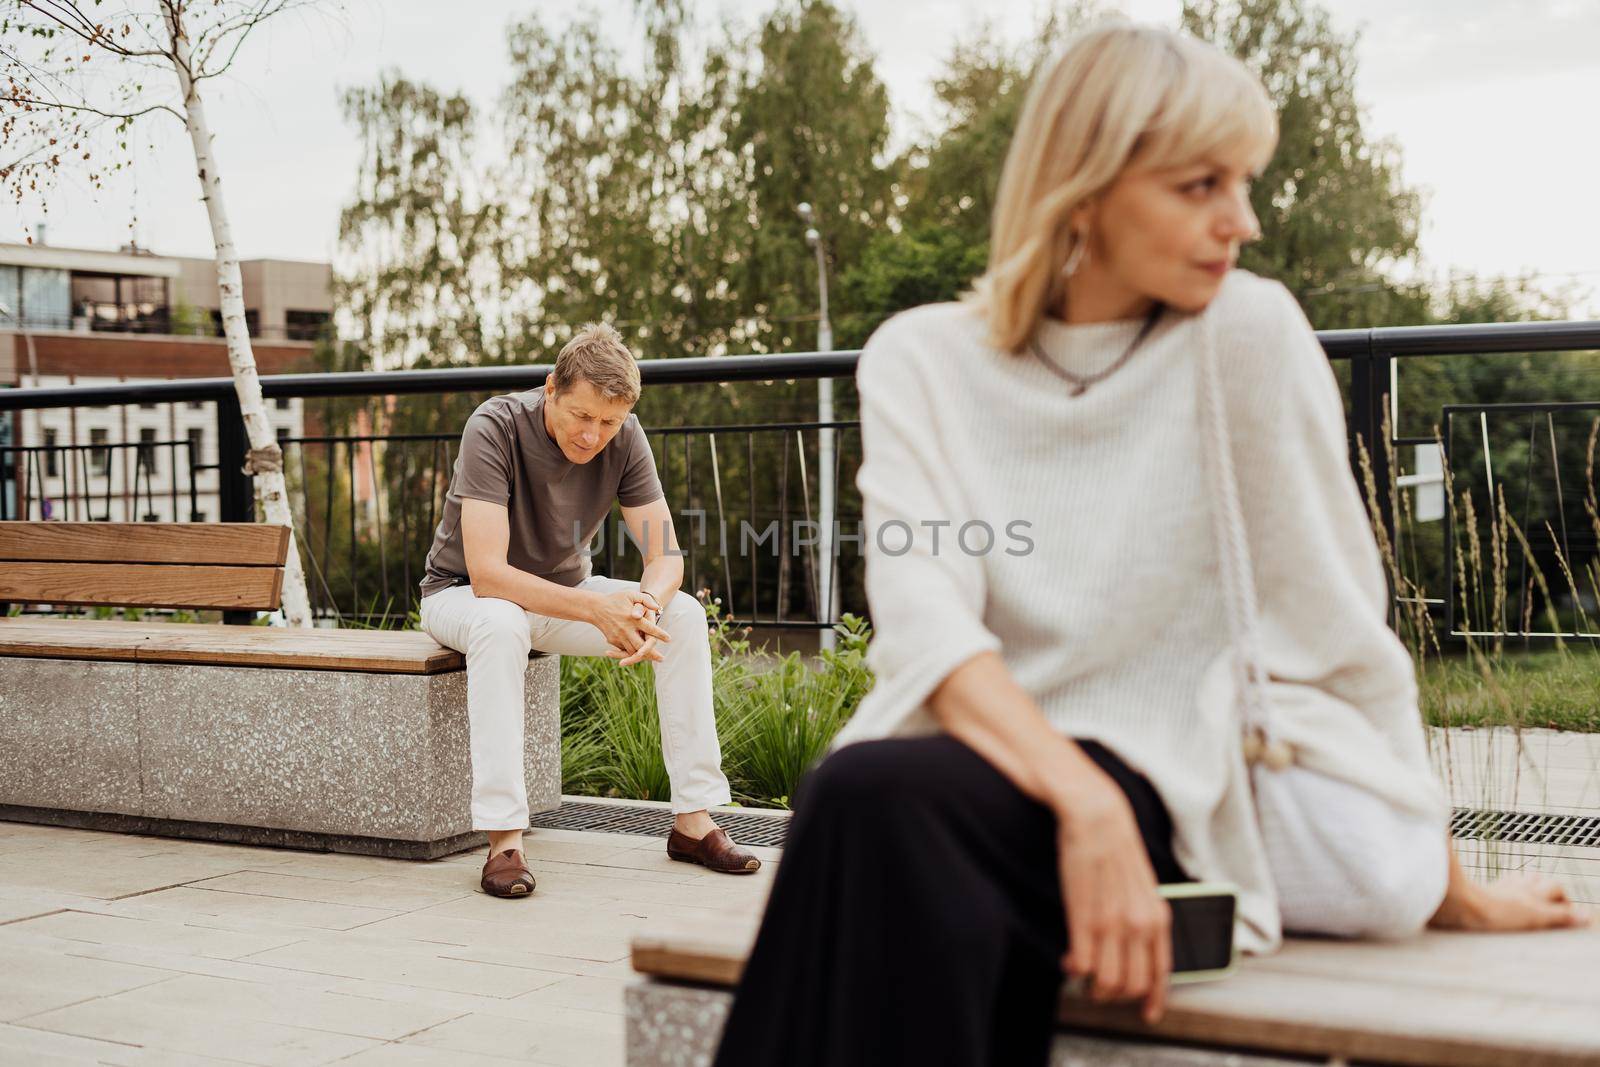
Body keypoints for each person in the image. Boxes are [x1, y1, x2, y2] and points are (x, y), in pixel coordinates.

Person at [712, 21, 1586, 1067]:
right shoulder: (922, 360)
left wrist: (1454, 890)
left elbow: (1344, 630)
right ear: (1081, 188)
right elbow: (924, 618)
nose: (1243, 221)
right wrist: (1077, 799)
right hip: (1009, 765)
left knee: (869, 808)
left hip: (1181, 775)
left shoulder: (1246, 336)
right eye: (1200, 185)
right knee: (862, 797)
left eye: (1244, 182)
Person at [418, 322, 760, 898]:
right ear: (551, 387)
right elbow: (488, 573)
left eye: (608, 421)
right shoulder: (495, 426)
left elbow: (665, 555)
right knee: (502, 623)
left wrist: (644, 605)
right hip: (463, 596)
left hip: (562, 597)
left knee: (682, 618)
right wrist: (598, 610)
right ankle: (504, 841)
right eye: (582, 415)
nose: (593, 435)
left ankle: (693, 822)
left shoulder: (626, 437)